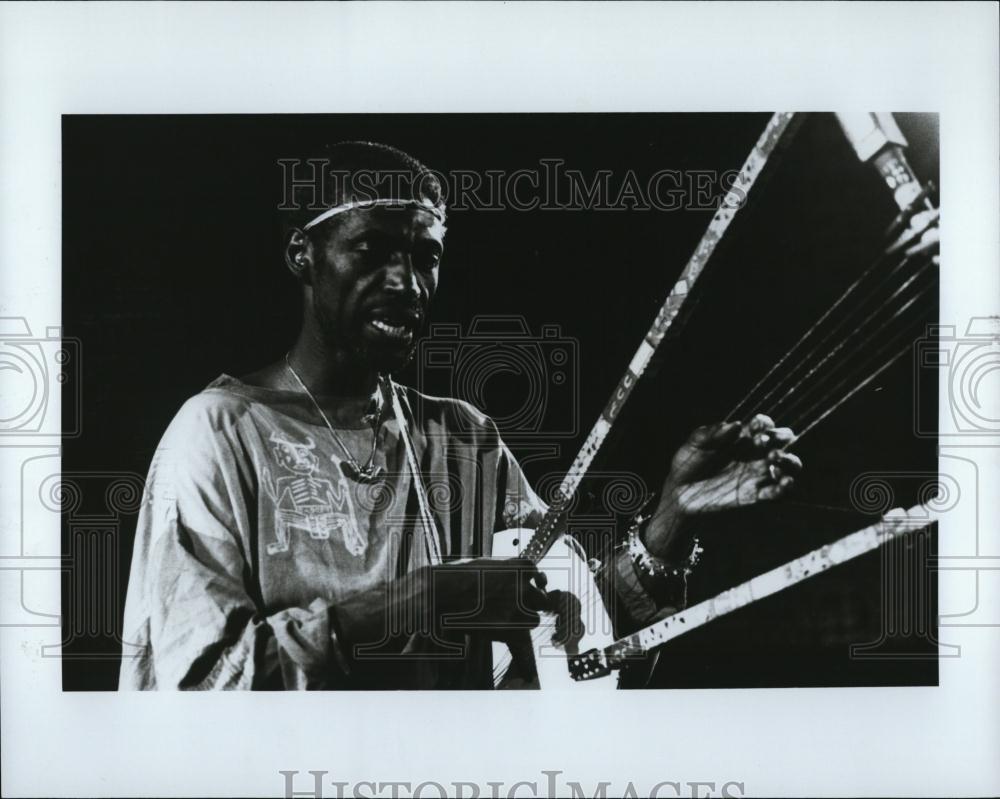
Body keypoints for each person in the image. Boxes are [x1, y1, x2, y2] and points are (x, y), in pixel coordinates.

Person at [119, 141, 802, 690]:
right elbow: (200, 688)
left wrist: (670, 522)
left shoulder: (463, 438)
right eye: (373, 249)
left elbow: (575, 652)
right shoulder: (217, 431)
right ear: (304, 253)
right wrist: (418, 601)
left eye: (425, 257)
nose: (406, 283)